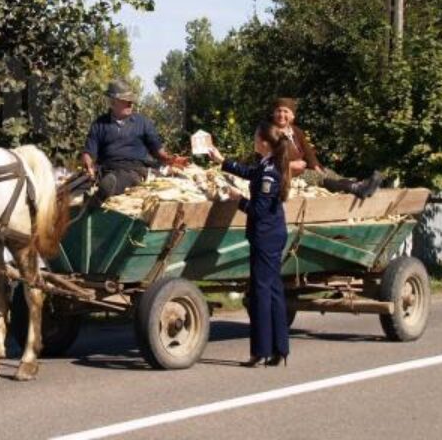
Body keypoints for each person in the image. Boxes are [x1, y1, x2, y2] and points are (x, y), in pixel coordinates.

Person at [207, 121, 290, 367]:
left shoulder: (268, 173)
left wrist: (237, 198)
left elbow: (258, 210)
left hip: (265, 236)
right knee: (274, 291)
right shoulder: (268, 165)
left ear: (264, 142)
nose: (253, 139)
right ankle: (279, 349)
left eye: (255, 136)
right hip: (272, 235)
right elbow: (248, 172)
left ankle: (261, 351)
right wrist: (222, 160)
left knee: (260, 293)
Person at [81, 79, 188, 203]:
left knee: (125, 178)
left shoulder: (143, 122)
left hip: (135, 170)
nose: (131, 104)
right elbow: (88, 152)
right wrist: (88, 165)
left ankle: (104, 192)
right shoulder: (99, 124)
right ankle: (105, 188)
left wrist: (171, 159)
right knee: (109, 179)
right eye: (126, 101)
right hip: (109, 169)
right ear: (113, 102)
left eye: (131, 101)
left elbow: (159, 152)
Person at [269, 97, 382, 199]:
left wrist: (316, 166)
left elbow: (308, 152)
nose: (281, 115)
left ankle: (362, 185)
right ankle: (356, 188)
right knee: (318, 177)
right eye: (278, 111)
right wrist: (290, 164)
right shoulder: (269, 132)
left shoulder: (296, 131)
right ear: (274, 114)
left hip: (302, 168)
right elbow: (267, 158)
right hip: (287, 172)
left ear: (292, 116)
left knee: (328, 173)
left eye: (285, 112)